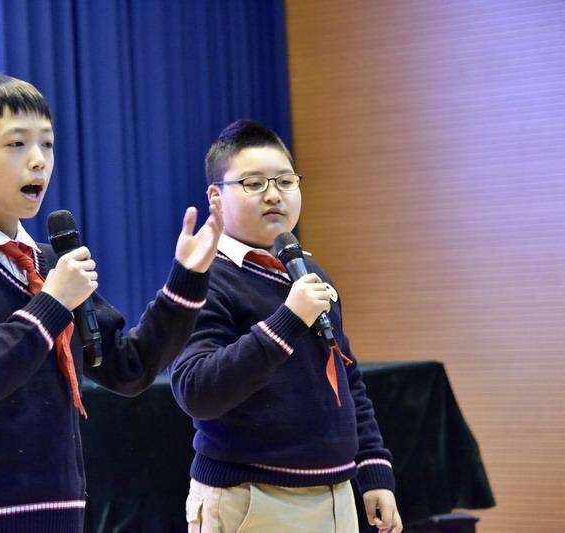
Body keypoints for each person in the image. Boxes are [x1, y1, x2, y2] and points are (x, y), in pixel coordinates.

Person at [0, 62, 222, 533]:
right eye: (17, 144)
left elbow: (128, 368)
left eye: (47, 144)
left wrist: (186, 280)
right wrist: (51, 304)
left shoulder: (49, 262)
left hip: (63, 513)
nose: (39, 161)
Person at [170, 119, 403, 532]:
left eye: (285, 181)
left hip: (335, 495)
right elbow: (195, 389)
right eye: (254, 183)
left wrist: (372, 467)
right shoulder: (204, 277)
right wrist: (288, 320)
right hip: (250, 498)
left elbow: (346, 377)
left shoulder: (308, 273)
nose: (274, 194)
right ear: (216, 197)